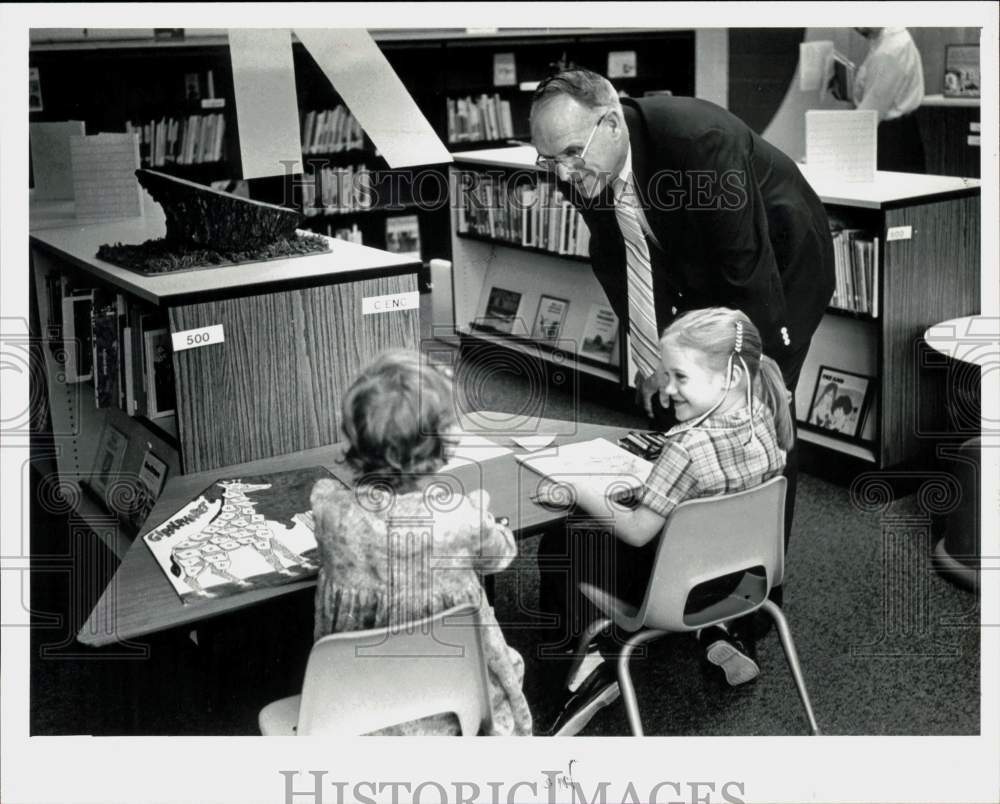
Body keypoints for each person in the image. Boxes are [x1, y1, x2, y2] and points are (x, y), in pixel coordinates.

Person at [530, 68, 833, 645]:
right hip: (690, 262)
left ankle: (749, 608)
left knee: (756, 424)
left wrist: (754, 382)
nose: (562, 174)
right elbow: (617, 257)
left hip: (781, 267)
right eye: (548, 163)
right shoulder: (581, 162)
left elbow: (749, 280)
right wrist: (651, 358)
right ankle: (680, 577)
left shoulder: (698, 147)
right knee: (680, 408)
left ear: (612, 123)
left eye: (570, 154)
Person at [541, 308, 793, 735]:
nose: (667, 390)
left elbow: (639, 531)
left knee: (563, 542)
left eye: (680, 377)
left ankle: (594, 664)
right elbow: (710, 492)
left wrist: (577, 489)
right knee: (651, 534)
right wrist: (653, 489)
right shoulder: (764, 418)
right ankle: (716, 631)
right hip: (743, 580)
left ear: (729, 376)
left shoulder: (687, 448)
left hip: (679, 591)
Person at [309, 350, 532, 736]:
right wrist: (488, 525)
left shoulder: (330, 511)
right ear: (441, 446)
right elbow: (499, 558)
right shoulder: (461, 520)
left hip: (357, 701)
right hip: (458, 698)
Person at [850, 27, 926, 173]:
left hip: (891, 139)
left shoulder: (889, 49)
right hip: (900, 132)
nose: (855, 28)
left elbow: (869, 114)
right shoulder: (888, 38)